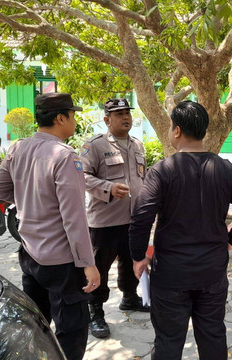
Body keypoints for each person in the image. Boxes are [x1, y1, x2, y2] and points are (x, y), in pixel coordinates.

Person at [129, 101, 232, 360]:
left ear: (177, 131)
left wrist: (138, 256)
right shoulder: (225, 169)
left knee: (168, 340)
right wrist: (230, 240)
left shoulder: (162, 171)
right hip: (211, 272)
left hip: (171, 274)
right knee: (213, 335)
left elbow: (141, 217)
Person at [0, 93, 100, 360]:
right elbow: (74, 218)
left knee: (37, 325)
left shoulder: (18, 147)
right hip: (62, 261)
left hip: (30, 254)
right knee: (72, 330)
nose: (74, 121)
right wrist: (88, 263)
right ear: (61, 118)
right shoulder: (64, 157)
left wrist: (31, 200)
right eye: (72, 116)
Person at [80, 98, 149, 339]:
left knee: (130, 263)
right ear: (107, 119)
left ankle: (129, 298)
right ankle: (95, 312)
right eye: (118, 114)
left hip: (133, 220)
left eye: (127, 113)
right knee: (99, 267)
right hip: (105, 222)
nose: (125, 117)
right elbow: (82, 177)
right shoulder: (95, 146)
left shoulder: (138, 145)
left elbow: (143, 178)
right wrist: (107, 188)